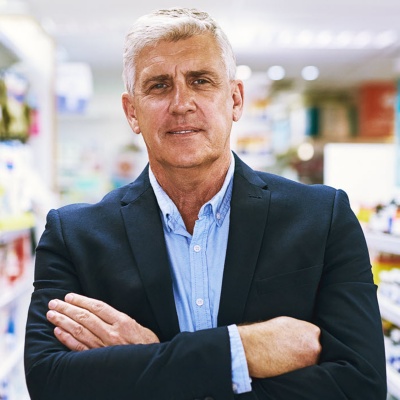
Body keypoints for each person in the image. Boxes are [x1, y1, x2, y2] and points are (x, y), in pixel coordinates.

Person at [24, 7, 387, 400]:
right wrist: (240, 351)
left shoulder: (323, 218)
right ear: (132, 112)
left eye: (200, 81)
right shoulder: (74, 237)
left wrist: (150, 361)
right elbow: (50, 381)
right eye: (159, 86)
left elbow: (360, 385)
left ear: (234, 99)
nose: (181, 103)